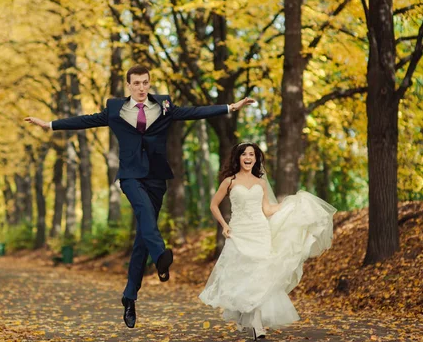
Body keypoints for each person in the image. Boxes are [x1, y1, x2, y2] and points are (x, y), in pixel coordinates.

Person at [25, 65, 254, 328]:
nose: (142, 88)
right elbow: (86, 120)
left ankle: (129, 297)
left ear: (149, 83)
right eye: (136, 84)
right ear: (129, 85)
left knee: (141, 240)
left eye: (145, 83)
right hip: (130, 175)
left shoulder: (165, 105)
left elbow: (194, 113)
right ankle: (161, 255)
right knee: (145, 215)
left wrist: (229, 107)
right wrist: (50, 124)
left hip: (157, 177)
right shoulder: (114, 109)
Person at [199, 142, 336, 340]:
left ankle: (256, 324)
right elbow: (214, 205)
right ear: (238, 157)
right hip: (238, 232)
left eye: (252, 154)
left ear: (256, 159)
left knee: (260, 277)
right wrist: (224, 225)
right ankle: (246, 315)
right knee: (242, 276)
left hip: (260, 232)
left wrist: (291, 204)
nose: (248, 157)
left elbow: (267, 210)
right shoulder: (229, 181)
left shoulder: (261, 183)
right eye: (244, 154)